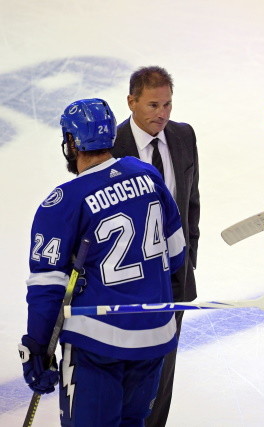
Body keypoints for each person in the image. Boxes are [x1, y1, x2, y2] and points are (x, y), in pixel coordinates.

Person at [19, 98, 185, 426]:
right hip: (155, 336)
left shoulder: (64, 201)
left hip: (97, 346)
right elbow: (177, 255)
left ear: (70, 143)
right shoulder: (147, 174)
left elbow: (46, 290)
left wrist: (37, 350)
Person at [111, 65, 200, 426]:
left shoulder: (183, 136)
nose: (161, 113)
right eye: (152, 105)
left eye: (167, 104)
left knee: (164, 373)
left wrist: (188, 260)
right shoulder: (111, 146)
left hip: (174, 277)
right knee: (129, 373)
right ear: (131, 102)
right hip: (127, 282)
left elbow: (191, 202)